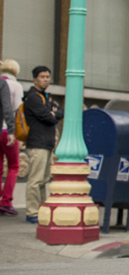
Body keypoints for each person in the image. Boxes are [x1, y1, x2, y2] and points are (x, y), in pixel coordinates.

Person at [23, 66, 63, 224]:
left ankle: (41, 210)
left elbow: (60, 112)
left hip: (46, 143)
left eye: (48, 76)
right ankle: (32, 212)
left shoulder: (47, 97)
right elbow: (49, 117)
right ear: (35, 79)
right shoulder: (33, 97)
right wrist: (52, 113)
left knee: (44, 179)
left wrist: (54, 113)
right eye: (42, 77)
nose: (46, 79)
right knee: (35, 179)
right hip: (37, 142)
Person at [0, 59, 23, 216]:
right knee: (14, 166)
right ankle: (6, 202)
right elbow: (15, 108)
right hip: (7, 130)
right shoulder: (16, 86)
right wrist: (12, 131)